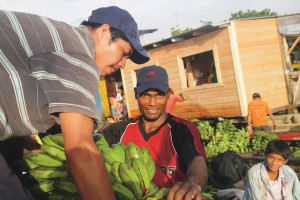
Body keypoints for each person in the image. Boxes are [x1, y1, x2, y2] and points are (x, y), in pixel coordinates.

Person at [0, 6, 149, 200]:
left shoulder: (59, 41)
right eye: (124, 53)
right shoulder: (79, 54)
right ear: (104, 32)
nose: (123, 64)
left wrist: (36, 147)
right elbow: (80, 148)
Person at [100, 65, 208, 200]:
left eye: (159, 95)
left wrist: (193, 183)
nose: (152, 102)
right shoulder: (118, 131)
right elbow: (91, 144)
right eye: (146, 95)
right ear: (136, 94)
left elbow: (197, 159)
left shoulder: (181, 130)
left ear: (168, 94)